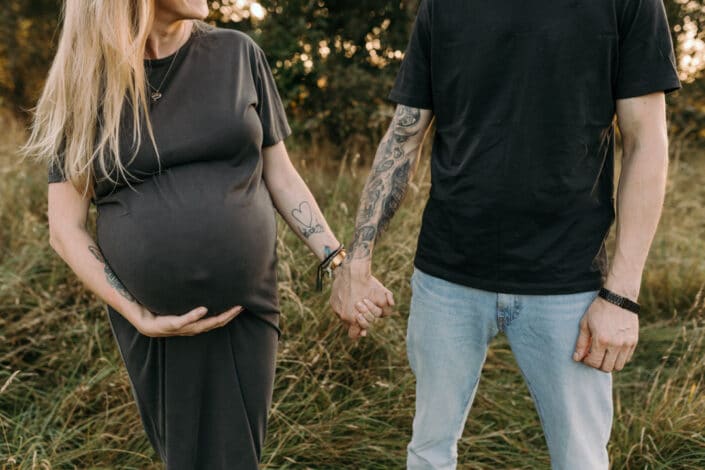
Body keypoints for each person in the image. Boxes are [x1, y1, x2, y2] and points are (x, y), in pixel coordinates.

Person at [22, 1, 389, 468]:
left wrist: (339, 263)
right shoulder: (88, 83)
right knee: (187, 456)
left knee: (237, 455)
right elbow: (65, 228)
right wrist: (137, 314)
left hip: (246, 309)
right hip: (157, 324)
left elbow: (281, 175)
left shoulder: (238, 54)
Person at [331, 0, 681, 468]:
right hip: (446, 278)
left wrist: (621, 295)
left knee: (581, 459)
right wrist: (357, 259)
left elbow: (647, 142)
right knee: (429, 451)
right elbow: (404, 134)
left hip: (568, 283)